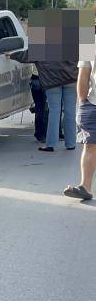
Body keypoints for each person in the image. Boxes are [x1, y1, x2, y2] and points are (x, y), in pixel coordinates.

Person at [10, 51, 78, 151]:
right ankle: (71, 144)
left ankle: (51, 145)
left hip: (52, 81)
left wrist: (11, 54)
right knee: (70, 112)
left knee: (54, 111)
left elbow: (26, 56)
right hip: (72, 79)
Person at [64, 59, 96, 200]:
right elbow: (83, 73)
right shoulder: (88, 38)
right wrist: (83, 103)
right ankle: (85, 187)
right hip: (93, 103)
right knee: (89, 145)